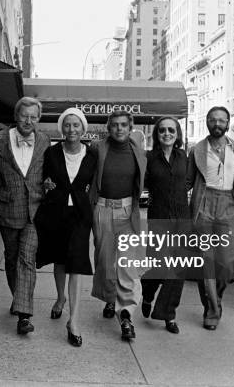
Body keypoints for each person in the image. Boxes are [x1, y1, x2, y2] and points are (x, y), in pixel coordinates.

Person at [0, 96, 50, 335]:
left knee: (26, 259)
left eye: (33, 116)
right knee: (11, 258)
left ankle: (24, 315)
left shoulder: (44, 140)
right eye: (24, 115)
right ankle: (18, 297)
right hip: (8, 209)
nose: (29, 120)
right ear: (16, 116)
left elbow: (46, 174)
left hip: (35, 209)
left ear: (38, 119)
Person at [186, 106, 234, 330]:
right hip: (204, 205)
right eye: (213, 120)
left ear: (227, 123)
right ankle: (211, 309)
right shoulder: (197, 149)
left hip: (228, 206)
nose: (217, 124)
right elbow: (187, 181)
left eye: (221, 120)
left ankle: (216, 298)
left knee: (226, 264)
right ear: (207, 122)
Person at [35, 108, 96, 347]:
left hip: (80, 216)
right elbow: (42, 179)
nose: (72, 129)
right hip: (56, 213)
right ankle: (60, 298)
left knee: (77, 265)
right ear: (62, 128)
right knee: (60, 261)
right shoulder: (51, 153)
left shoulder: (92, 155)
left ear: (83, 128)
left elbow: (95, 184)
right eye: (68, 125)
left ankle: (74, 320)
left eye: (76, 125)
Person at [90, 110, 146, 341]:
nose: (119, 129)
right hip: (102, 209)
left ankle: (126, 315)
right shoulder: (97, 148)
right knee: (104, 262)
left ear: (130, 127)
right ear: (108, 127)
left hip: (127, 211)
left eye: (124, 125)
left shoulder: (139, 151)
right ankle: (110, 298)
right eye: (114, 125)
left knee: (127, 265)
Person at [140, 117, 188, 334]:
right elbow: (141, 182)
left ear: (177, 133)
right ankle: (148, 290)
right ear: (156, 134)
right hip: (159, 219)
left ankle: (168, 314)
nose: (167, 133)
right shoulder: (149, 158)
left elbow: (190, 182)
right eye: (162, 130)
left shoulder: (184, 157)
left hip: (182, 220)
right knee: (160, 265)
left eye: (171, 130)